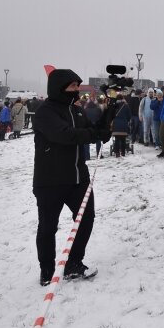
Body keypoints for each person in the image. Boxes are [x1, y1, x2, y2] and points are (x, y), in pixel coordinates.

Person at [33, 69, 111, 286]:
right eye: (72, 86)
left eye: (78, 86)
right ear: (59, 88)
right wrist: (92, 135)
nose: (76, 90)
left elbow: (91, 129)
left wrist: (105, 122)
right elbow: (64, 135)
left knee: (86, 219)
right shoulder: (45, 112)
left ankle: (74, 262)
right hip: (50, 181)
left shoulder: (77, 111)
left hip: (78, 178)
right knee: (48, 226)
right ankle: (47, 269)